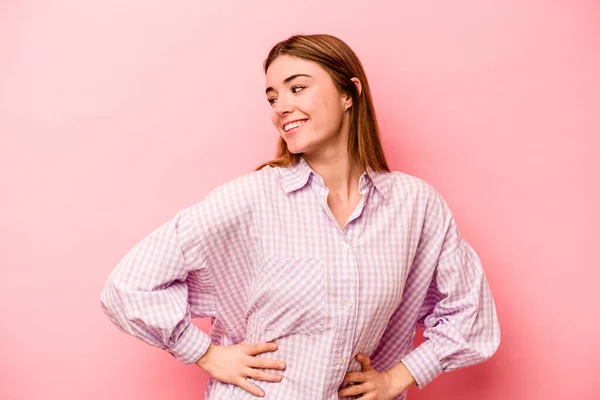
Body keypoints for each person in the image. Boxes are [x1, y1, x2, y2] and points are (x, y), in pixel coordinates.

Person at [100, 33, 500, 400]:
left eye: (297, 88)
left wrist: (398, 376)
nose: (281, 107)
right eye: (273, 97)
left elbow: (470, 317)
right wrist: (203, 352)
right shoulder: (255, 197)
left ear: (349, 93)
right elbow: (129, 285)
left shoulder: (416, 207)